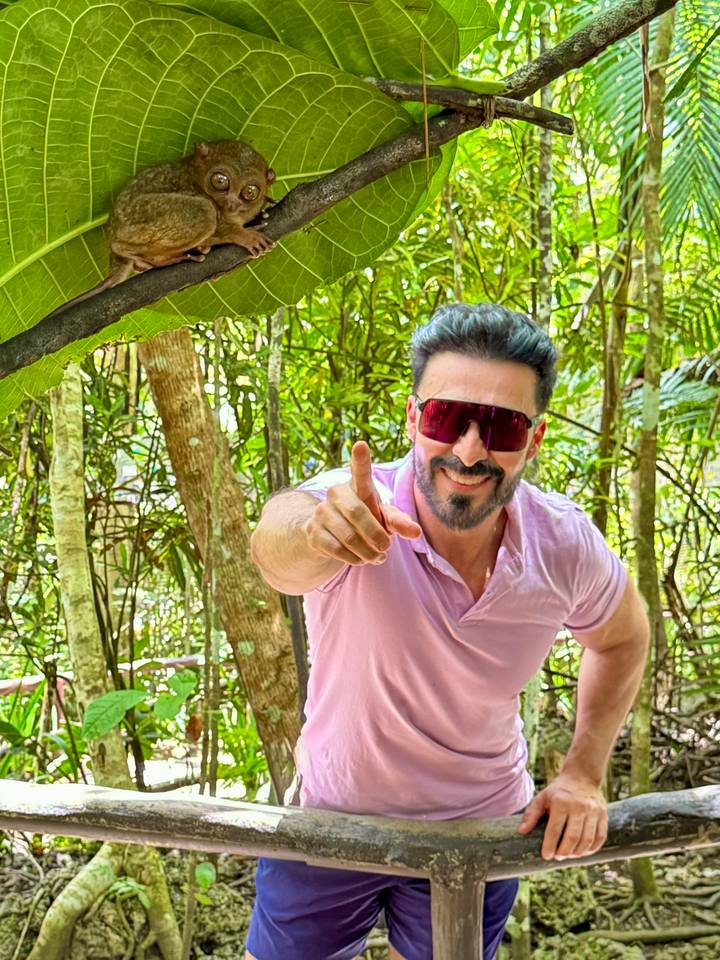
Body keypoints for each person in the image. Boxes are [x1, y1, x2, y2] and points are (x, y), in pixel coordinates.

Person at [244, 302, 650, 960]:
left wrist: (582, 774)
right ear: (413, 419)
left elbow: (623, 636)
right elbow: (276, 545)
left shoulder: (562, 543)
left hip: (479, 833)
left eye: (501, 427)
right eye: (446, 418)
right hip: (328, 822)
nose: (469, 449)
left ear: (534, 442)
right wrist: (320, 534)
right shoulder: (356, 505)